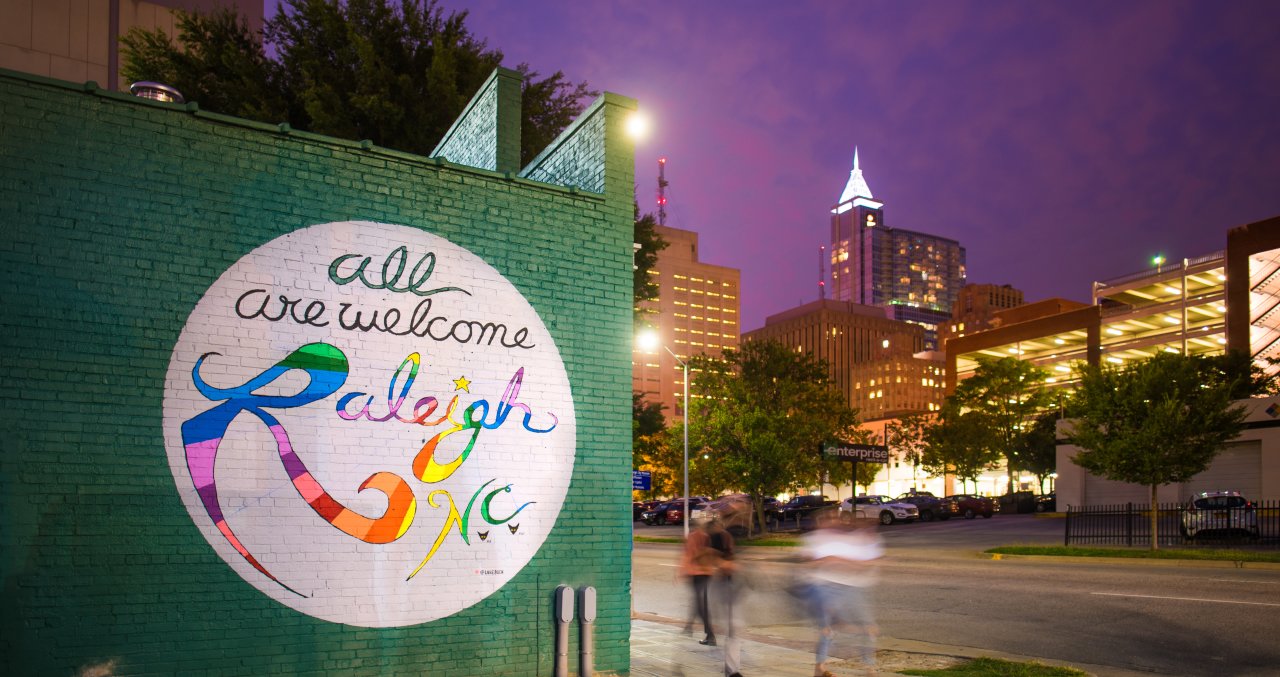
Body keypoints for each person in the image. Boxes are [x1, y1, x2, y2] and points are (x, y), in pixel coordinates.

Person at [801, 509, 883, 677]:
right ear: (819, 522)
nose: (833, 520)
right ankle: (820, 668)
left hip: (849, 586)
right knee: (826, 629)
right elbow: (809, 562)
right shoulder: (812, 539)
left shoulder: (846, 538)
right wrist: (830, 560)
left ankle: (870, 669)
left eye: (834, 517)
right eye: (828, 518)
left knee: (869, 627)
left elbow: (864, 561)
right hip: (821, 587)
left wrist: (837, 560)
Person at [678, 517, 718, 646]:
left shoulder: (692, 537)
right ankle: (689, 627)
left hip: (696, 573)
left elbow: (690, 555)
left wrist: (682, 570)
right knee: (699, 601)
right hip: (707, 572)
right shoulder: (706, 536)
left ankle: (710, 635)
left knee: (700, 605)